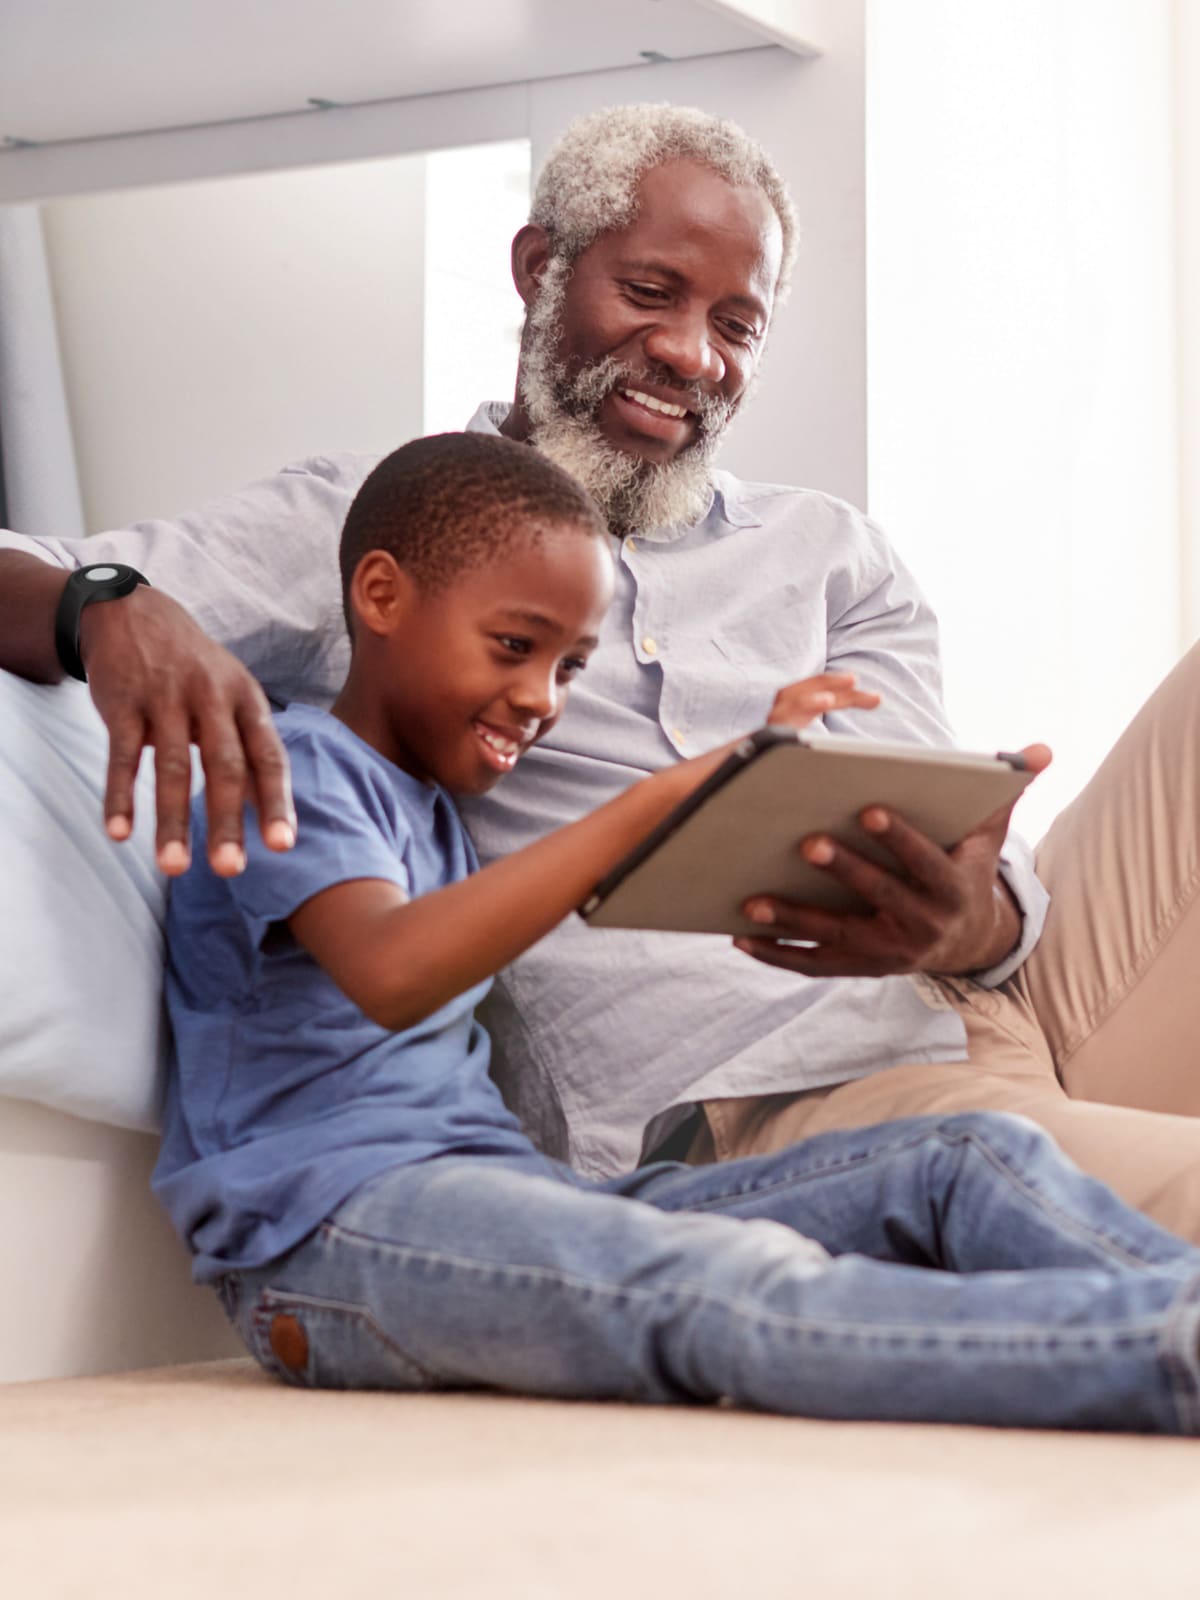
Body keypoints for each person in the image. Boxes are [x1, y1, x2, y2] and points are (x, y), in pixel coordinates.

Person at [4, 104, 1200, 1233]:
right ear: (540, 268)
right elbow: (30, 568)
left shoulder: (832, 552)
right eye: (650, 292)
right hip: (778, 1092)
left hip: (1003, 990)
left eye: (738, 326)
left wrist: (972, 922)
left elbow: (940, 831)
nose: (690, 355)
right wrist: (108, 603)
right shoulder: (381, 526)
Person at [154, 427, 1200, 1435]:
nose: (541, 699)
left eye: (569, 668)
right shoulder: (292, 767)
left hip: (505, 1194)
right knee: (727, 1284)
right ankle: (1167, 1353)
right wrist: (661, 801)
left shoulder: (428, 808)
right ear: (381, 597)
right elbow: (392, 969)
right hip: (329, 1239)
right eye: (515, 647)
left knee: (963, 1156)